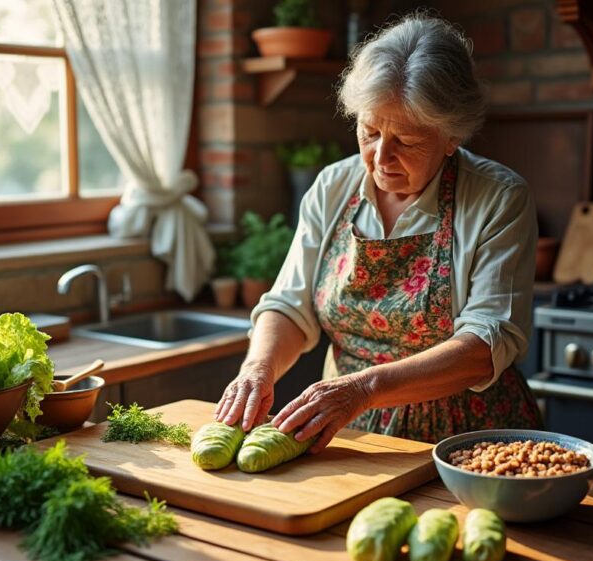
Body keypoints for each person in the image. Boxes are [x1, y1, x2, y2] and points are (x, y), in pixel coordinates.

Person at [214, 14, 542, 452]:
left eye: (405, 141)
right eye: (369, 132)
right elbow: (289, 305)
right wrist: (257, 367)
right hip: (346, 429)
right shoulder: (333, 186)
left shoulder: (498, 198)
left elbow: (485, 344)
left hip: (465, 440)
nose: (380, 157)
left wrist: (364, 390)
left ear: (451, 137)